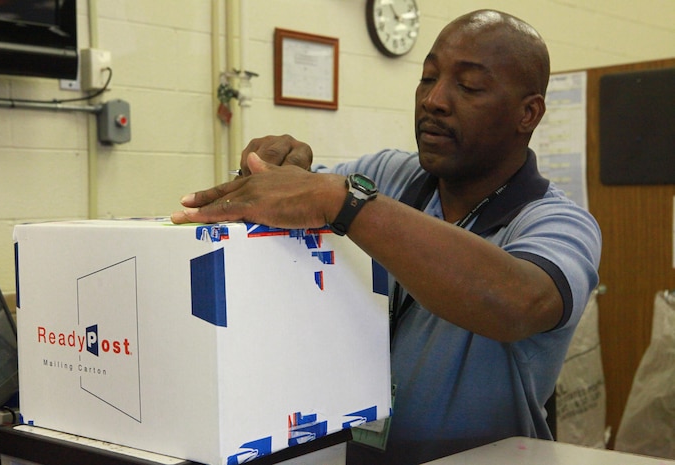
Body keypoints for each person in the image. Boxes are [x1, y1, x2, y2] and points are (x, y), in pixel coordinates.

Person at [171, 9, 601, 465]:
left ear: (527, 113)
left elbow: (519, 301)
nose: (434, 100)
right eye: (427, 77)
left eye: (469, 86)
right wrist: (271, 170)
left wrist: (344, 202)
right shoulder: (387, 177)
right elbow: (302, 199)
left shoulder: (557, 222)